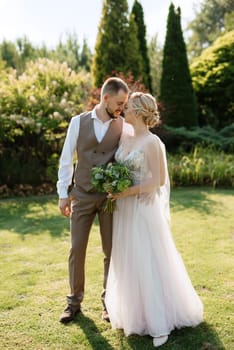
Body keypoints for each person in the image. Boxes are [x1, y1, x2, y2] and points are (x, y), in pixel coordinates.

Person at [105, 92, 203, 347]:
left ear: (138, 112)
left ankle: (160, 322)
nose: (123, 110)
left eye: (127, 107)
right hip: (125, 209)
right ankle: (135, 315)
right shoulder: (125, 135)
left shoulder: (152, 142)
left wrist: (126, 191)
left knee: (148, 259)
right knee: (129, 260)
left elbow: (157, 180)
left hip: (142, 209)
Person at [57, 77, 133, 323]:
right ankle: (73, 302)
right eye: (120, 102)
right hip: (81, 195)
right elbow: (67, 158)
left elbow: (127, 159)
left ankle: (108, 304)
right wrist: (62, 194)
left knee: (110, 251)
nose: (122, 107)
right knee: (76, 249)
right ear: (106, 97)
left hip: (109, 198)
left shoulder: (122, 125)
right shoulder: (78, 122)